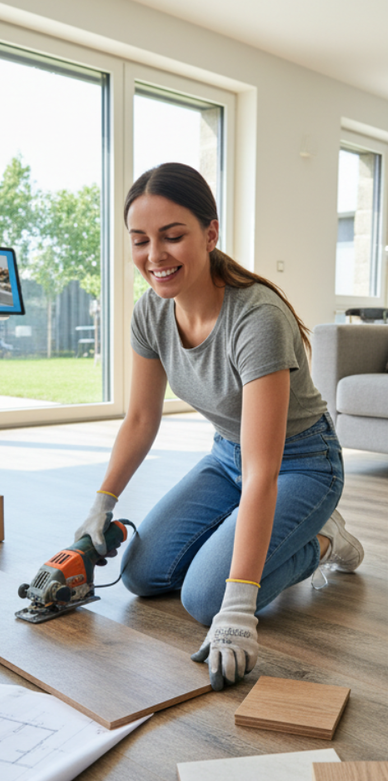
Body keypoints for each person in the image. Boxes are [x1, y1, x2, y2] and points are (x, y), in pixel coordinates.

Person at [79, 162, 363, 690]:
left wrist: (239, 609)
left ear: (210, 233)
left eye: (172, 236)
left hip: (301, 462)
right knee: (142, 575)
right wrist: (103, 500)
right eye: (140, 240)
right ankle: (264, 537)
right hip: (228, 455)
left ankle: (322, 540)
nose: (155, 256)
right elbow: (141, 418)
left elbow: (264, 471)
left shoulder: (256, 317)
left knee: (207, 599)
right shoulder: (151, 312)